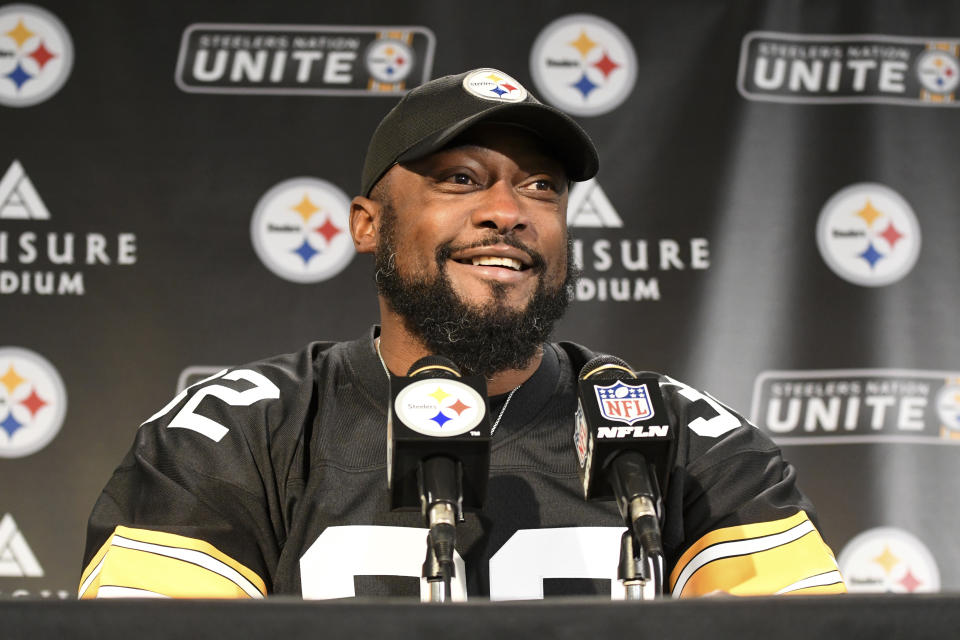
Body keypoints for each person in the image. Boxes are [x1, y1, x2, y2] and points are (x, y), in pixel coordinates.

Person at [79, 68, 845, 600]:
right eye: (461, 179)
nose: (508, 211)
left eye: (541, 186)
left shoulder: (684, 436)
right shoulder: (234, 432)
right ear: (367, 224)